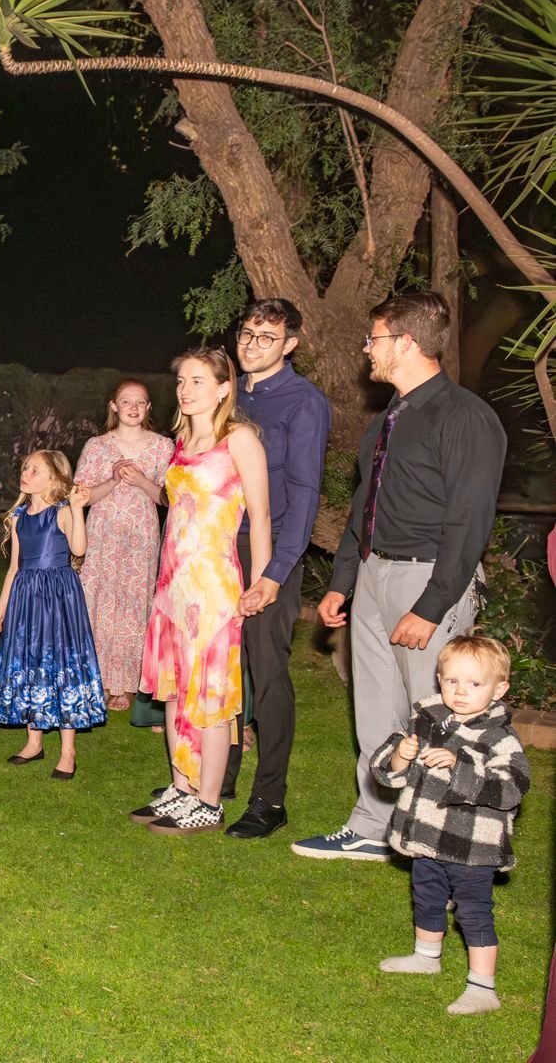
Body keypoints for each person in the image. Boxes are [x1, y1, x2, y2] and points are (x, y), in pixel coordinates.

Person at [294, 292, 506, 861]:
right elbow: (366, 505)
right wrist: (342, 581)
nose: (367, 349)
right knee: (375, 710)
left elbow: (469, 521)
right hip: (373, 575)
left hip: (428, 579)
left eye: (375, 338)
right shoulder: (390, 417)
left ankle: (443, 836)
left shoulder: (464, 417)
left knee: (438, 715)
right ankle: (374, 823)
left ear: (406, 342)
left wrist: (432, 606)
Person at [131, 347, 272, 835]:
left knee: (211, 694)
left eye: (197, 381)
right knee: (174, 689)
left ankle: (209, 801)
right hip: (173, 583)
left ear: (223, 388)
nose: (185, 390)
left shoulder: (240, 439)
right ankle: (182, 786)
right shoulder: (182, 440)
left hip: (213, 585)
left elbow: (261, 515)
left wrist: (262, 581)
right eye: (182, 381)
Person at [218, 299, 331, 839]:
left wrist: (275, 572)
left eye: (267, 337)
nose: (252, 345)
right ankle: (216, 780)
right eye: (247, 333)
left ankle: (270, 799)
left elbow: (306, 492)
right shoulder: (228, 394)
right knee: (221, 669)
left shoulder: (304, 402)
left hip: (271, 551)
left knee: (266, 676)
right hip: (218, 549)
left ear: (290, 345)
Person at [371, 634, 528, 1016]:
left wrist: (460, 767)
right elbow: (388, 775)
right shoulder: (428, 720)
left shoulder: (499, 738)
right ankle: (426, 956)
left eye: (474, 683)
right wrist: (400, 756)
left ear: (498, 689)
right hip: (427, 836)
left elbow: (511, 789)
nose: (459, 691)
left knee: (473, 911)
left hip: (472, 847)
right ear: (439, 679)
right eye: (451, 680)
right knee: (426, 897)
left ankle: (483, 987)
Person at [0, 451, 104, 779]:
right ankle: (34, 742)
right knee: (29, 662)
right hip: (26, 597)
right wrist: (0, 610)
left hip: (58, 596)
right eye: (25, 467)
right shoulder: (19, 517)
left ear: (53, 479)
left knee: (62, 664)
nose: (25, 473)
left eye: (34, 470)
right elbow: (13, 568)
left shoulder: (62, 512)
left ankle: (68, 752)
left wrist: (78, 510)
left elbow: (79, 550)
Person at [73, 379, 173, 713]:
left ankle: (126, 684)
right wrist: (113, 480)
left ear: (148, 407)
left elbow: (168, 498)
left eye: (140, 402)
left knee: (133, 605)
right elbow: (83, 497)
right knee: (97, 602)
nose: (133, 407)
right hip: (102, 535)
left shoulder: (162, 447)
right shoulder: (97, 446)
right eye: (126, 401)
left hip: (140, 537)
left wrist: (142, 481)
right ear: (114, 406)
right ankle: (97, 680)